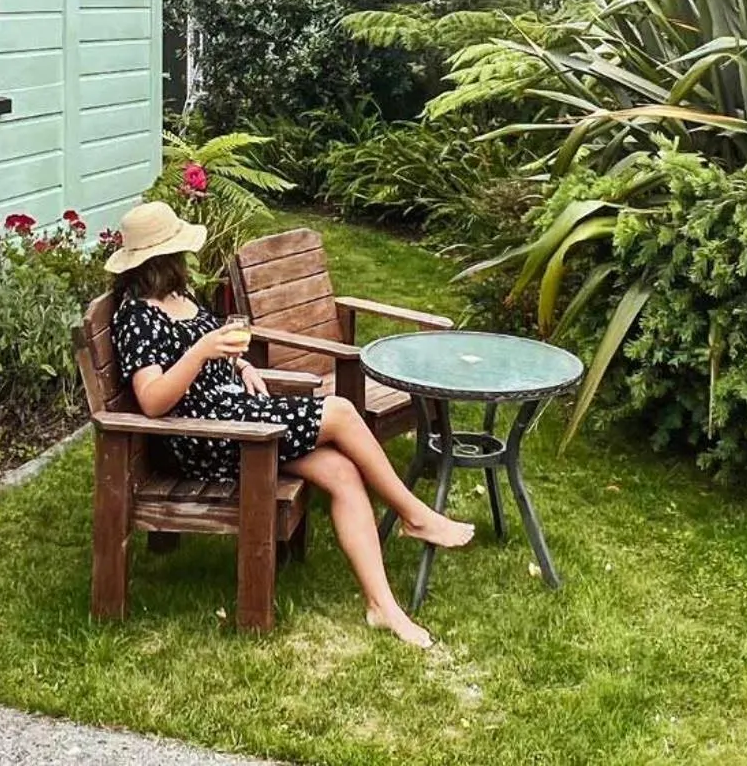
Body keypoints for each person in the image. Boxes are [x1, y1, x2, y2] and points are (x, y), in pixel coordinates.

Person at [106, 200, 474, 648]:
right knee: (338, 411)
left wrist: (241, 367)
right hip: (206, 436)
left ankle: (383, 606)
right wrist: (203, 351)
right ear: (161, 260)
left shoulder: (178, 298)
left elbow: (212, 352)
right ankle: (413, 514)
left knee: (341, 472)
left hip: (232, 410)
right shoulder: (136, 317)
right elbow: (152, 401)